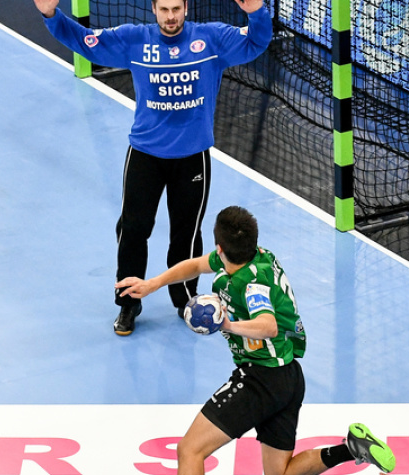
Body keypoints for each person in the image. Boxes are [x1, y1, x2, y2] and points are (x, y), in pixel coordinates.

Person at [117, 206, 397, 475]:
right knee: (279, 474)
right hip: (289, 377)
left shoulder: (250, 286)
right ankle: (351, 448)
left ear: (220, 245)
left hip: (259, 379)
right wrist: (152, 284)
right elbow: (195, 266)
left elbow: (267, 324)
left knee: (189, 450)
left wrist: (226, 323)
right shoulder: (254, 257)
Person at [33, 0, 272, 335]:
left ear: (186, 7)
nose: (170, 16)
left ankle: (185, 299)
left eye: (176, 8)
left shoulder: (211, 39)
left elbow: (256, 43)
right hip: (145, 155)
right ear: (154, 9)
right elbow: (87, 42)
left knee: (186, 233)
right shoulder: (134, 40)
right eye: (164, 9)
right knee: (133, 230)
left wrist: (257, 12)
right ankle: (128, 304)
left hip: (192, 157)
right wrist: (50, 16)